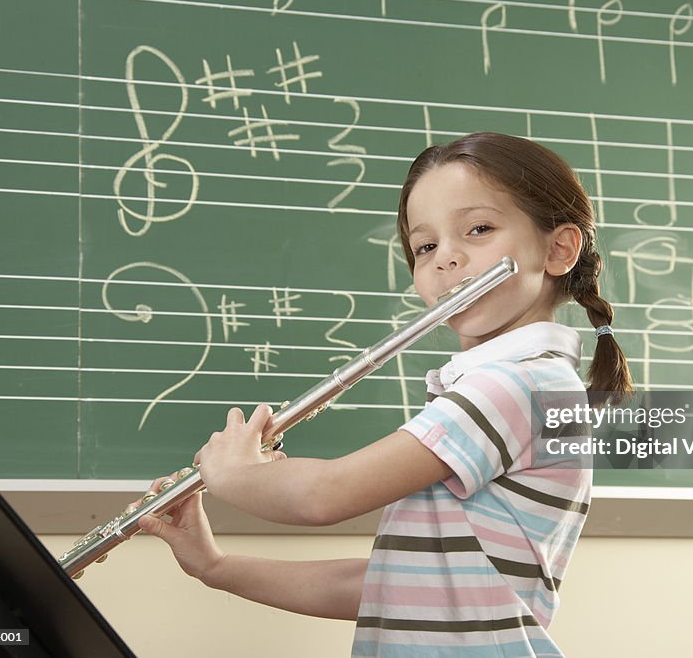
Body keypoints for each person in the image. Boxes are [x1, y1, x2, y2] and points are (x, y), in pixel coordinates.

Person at [135, 132, 633, 656]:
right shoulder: (513, 386)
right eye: (426, 246)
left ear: (558, 249)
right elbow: (391, 587)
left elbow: (324, 496)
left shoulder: (518, 386)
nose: (447, 259)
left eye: (479, 229)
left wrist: (236, 473)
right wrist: (217, 568)